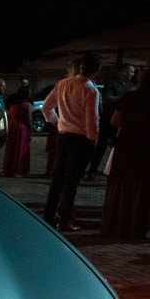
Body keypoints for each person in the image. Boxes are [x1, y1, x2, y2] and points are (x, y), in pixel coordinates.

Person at [99, 68, 150, 239]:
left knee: (120, 184)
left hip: (125, 145)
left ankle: (115, 225)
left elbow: (115, 120)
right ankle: (134, 228)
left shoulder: (128, 97)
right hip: (146, 149)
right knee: (141, 188)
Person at [41, 51, 102, 232]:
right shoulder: (90, 90)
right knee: (71, 182)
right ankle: (64, 219)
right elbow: (92, 120)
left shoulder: (63, 84)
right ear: (97, 69)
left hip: (63, 135)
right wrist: (93, 140)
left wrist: (58, 122)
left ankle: (49, 215)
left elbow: (46, 108)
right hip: (80, 139)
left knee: (58, 178)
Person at [87, 63, 135, 180]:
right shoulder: (111, 83)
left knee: (118, 148)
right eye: (131, 71)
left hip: (121, 121)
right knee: (101, 147)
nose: (133, 74)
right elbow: (107, 98)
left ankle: (113, 171)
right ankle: (92, 171)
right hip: (108, 119)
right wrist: (124, 98)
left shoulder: (129, 86)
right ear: (123, 71)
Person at [2, 85, 33, 177]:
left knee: (11, 148)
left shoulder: (12, 105)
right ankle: (19, 170)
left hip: (12, 127)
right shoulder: (27, 105)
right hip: (22, 128)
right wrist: (30, 131)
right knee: (21, 149)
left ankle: (9, 169)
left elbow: (9, 116)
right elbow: (29, 119)